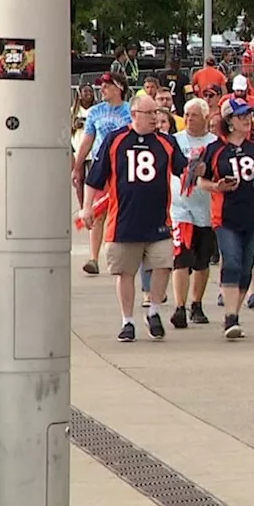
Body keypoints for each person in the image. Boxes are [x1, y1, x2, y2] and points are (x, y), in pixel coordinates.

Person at [81, 95, 186, 342]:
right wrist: (87, 208)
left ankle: (154, 310)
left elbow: (184, 169)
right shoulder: (116, 140)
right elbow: (95, 177)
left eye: (157, 113)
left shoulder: (166, 142)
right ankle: (127, 319)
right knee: (124, 272)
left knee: (163, 264)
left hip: (158, 218)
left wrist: (199, 170)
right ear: (136, 113)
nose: (155, 119)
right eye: (150, 114)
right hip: (124, 220)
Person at [198, 97, 254, 340]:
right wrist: (217, 186)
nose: (246, 119)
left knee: (246, 267)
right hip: (226, 215)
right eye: (240, 115)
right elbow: (201, 182)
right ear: (229, 120)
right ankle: (230, 318)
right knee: (231, 261)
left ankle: (235, 311)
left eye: (248, 114)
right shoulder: (214, 149)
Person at [72, 73, 132, 275]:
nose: (102, 89)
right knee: (97, 213)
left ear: (119, 88)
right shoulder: (95, 112)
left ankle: (122, 255)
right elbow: (88, 139)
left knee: (122, 212)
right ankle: (93, 258)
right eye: (102, 86)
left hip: (123, 168)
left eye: (107, 86)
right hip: (101, 168)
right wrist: (78, 165)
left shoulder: (129, 112)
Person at [168, 98, 218, 329]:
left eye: (194, 115)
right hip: (180, 209)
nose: (188, 120)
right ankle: (180, 306)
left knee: (202, 261)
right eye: (186, 115)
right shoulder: (175, 141)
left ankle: (196, 303)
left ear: (205, 118)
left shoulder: (215, 144)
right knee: (181, 258)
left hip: (206, 209)